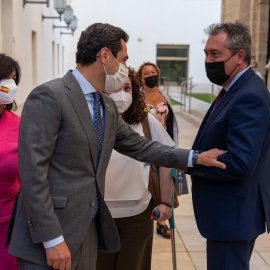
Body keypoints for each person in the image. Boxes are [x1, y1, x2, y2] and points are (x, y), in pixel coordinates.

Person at [7, 23, 226, 270]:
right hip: (49, 239)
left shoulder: (106, 106)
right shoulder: (50, 96)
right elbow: (32, 174)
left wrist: (195, 158)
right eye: (123, 60)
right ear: (105, 56)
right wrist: (52, 238)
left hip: (86, 237)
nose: (124, 68)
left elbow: (142, 147)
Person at [188, 21, 270, 270]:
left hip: (232, 218)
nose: (208, 61)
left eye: (216, 54)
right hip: (231, 216)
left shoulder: (249, 95)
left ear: (240, 56)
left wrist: (193, 160)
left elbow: (241, 162)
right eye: (206, 53)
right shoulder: (234, 89)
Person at [96, 67, 175, 270]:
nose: (122, 93)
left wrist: (165, 202)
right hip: (97, 215)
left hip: (138, 215)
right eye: (115, 87)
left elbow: (168, 158)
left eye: (127, 87)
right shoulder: (89, 120)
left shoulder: (145, 121)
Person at [137, 62, 179, 238]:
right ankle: (148, 214)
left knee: (166, 181)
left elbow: (171, 121)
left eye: (153, 72)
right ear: (140, 77)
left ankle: (161, 220)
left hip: (164, 145)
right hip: (147, 146)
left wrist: (174, 145)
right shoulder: (137, 97)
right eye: (146, 73)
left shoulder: (163, 95)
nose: (150, 75)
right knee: (150, 181)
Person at [0, 53, 21, 270]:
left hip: (9, 231)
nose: (10, 85)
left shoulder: (19, 125)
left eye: (13, 79)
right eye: (5, 78)